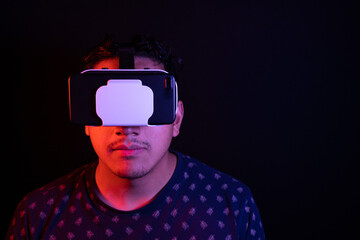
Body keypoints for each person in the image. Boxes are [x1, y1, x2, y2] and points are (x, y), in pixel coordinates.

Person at [6, 34, 265, 239]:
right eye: (110, 105)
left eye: (144, 104)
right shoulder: (38, 215)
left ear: (176, 118)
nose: (127, 126)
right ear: (87, 119)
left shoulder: (231, 205)